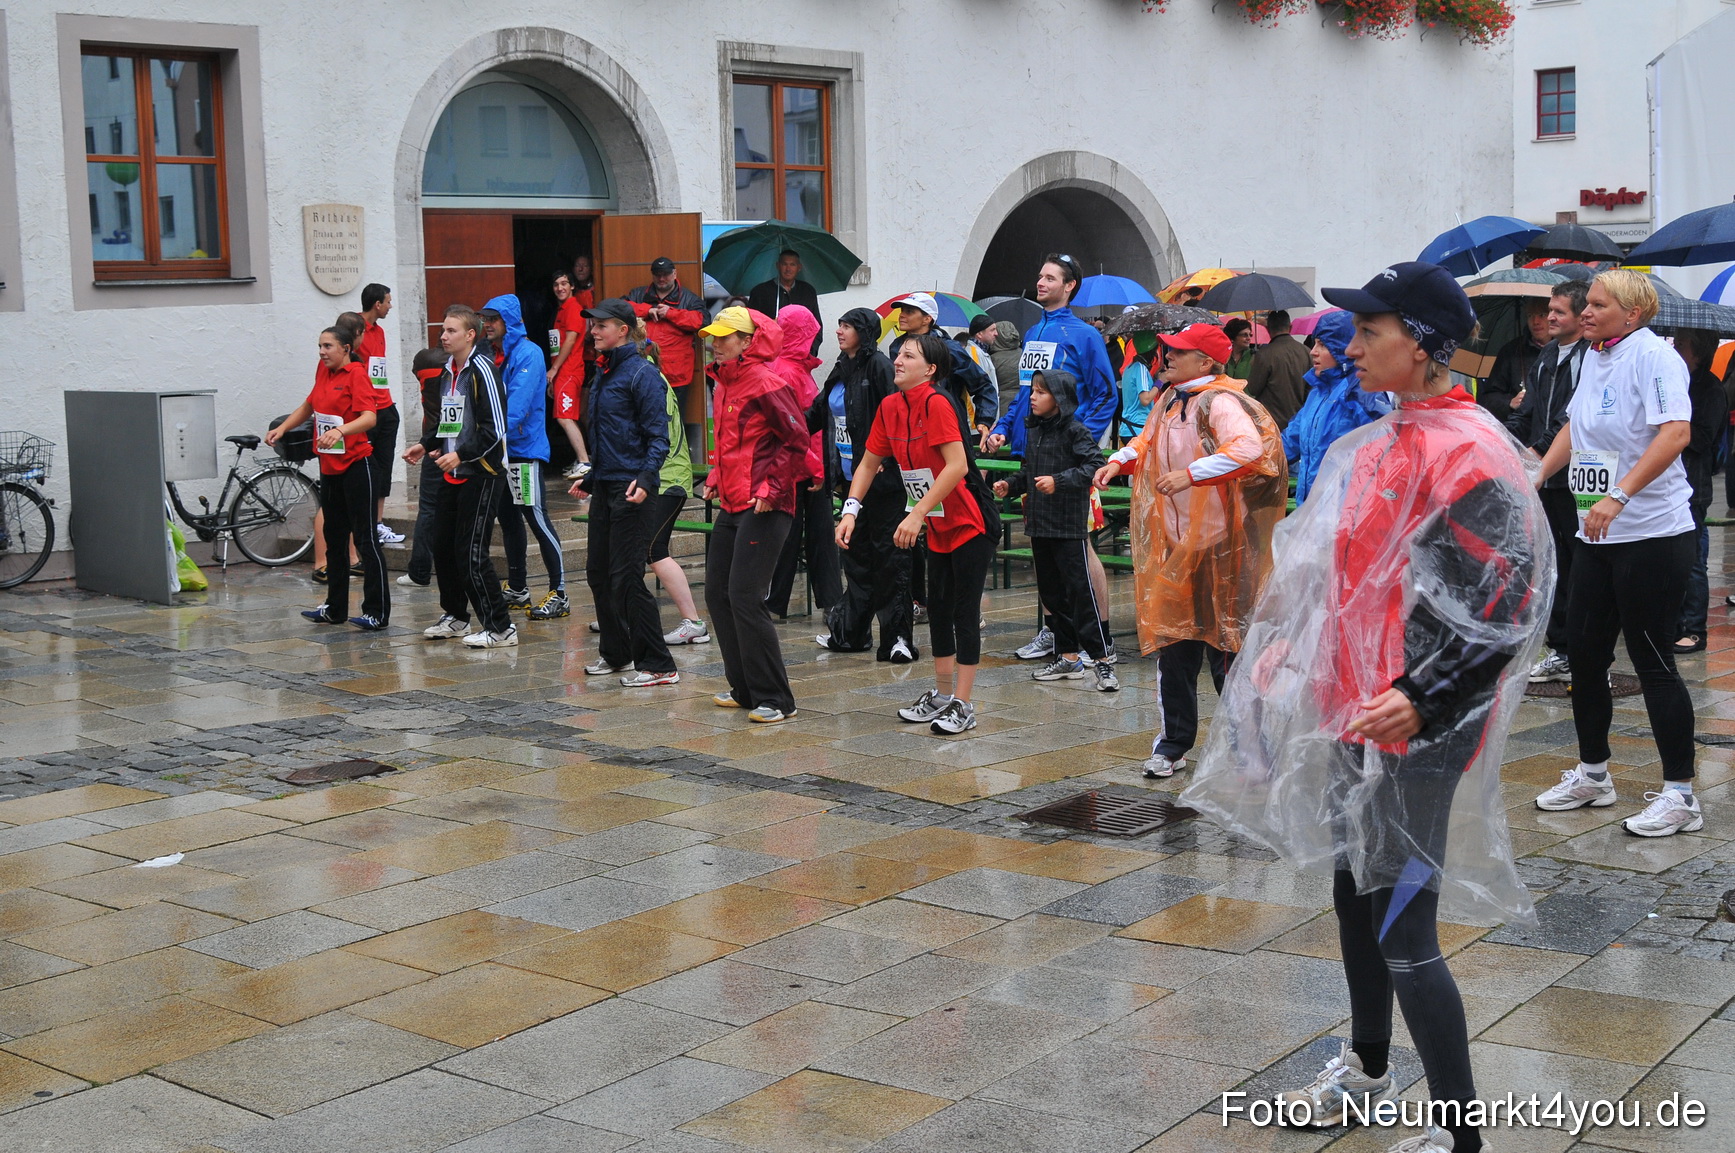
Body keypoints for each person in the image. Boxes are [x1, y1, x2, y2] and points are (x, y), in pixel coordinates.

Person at [1181, 261, 1548, 1153]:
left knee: (1402, 923)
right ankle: (1367, 1071)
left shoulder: (1469, 453)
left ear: (1419, 345)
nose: (1350, 344)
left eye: (1370, 330)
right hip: (1356, 706)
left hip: (1418, 726)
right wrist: (1287, 644)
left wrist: (1422, 697)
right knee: (1354, 892)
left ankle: (1461, 1134)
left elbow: (1507, 607)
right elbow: (1342, 574)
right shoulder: (1382, 438)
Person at [1534, 269, 1703, 837]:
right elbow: (1575, 428)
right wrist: (1537, 475)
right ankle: (1593, 774)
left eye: (1598, 305)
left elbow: (1675, 434)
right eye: (1586, 303)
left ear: (1631, 314)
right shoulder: (1593, 355)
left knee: (1653, 662)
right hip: (1596, 537)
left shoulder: (1656, 357)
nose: (1585, 311)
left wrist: (1620, 494)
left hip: (1653, 535)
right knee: (1585, 658)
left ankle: (1681, 795)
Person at [1093, 323, 1286, 779]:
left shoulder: (1219, 401)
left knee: (1227, 651)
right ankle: (1172, 745)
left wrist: (1192, 474)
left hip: (1221, 548)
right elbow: (1148, 442)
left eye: (1179, 352)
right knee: (1175, 646)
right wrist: (1118, 460)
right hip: (1177, 546)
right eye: (1169, 350)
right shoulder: (1169, 399)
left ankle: (1251, 752)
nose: (1168, 357)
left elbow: (1249, 448)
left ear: (1206, 361)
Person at [840, 332, 997, 735]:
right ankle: (942, 696)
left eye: (909, 356)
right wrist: (851, 509)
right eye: (898, 354)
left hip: (971, 522)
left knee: (963, 612)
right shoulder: (891, 406)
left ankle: (964, 703)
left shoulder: (937, 402)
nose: (898, 360)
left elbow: (957, 465)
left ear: (930, 369)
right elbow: (868, 463)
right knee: (938, 609)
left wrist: (916, 513)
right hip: (938, 523)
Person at [988, 255, 1118, 664]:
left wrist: (1075, 439)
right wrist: (1004, 426)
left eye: (1050, 277)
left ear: (1069, 285)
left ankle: (1101, 638)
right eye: (1040, 276)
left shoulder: (1085, 335)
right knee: (1043, 547)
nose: (1040, 282)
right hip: (1034, 456)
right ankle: (1056, 633)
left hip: (1067, 462)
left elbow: (1106, 394)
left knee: (1080, 548)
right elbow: (1027, 393)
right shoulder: (1033, 332)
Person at [698, 306, 811, 722]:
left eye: (725, 337)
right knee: (717, 594)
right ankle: (744, 688)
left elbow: (797, 438)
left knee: (745, 596)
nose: (716, 343)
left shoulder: (766, 381)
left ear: (747, 341)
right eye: (714, 336)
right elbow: (733, 441)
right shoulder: (723, 381)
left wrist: (773, 486)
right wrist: (716, 474)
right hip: (732, 501)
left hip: (766, 504)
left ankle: (777, 699)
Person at [571, 298, 680, 687]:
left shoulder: (642, 374)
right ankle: (616, 653)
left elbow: (658, 437)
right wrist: (591, 478)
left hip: (633, 488)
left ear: (622, 330)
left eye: (601, 325)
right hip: (606, 484)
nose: (594, 331)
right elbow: (608, 434)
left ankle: (659, 664)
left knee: (627, 577)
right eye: (593, 325)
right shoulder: (603, 370)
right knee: (598, 573)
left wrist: (646, 479)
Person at [992, 370, 1115, 691]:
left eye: (1041, 392)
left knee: (1080, 593)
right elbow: (1030, 472)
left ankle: (1103, 660)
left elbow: (1094, 466)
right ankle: (1068, 656)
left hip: (1068, 527)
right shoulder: (1034, 430)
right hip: (1039, 525)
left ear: (1059, 399)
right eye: (1033, 391)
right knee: (1052, 594)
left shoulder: (1076, 431)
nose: (1032, 397)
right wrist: (1011, 484)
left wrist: (1058, 482)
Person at [403, 304, 516, 648]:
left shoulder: (483, 370)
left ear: (470, 335)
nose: (443, 336)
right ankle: (456, 616)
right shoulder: (447, 371)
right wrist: (427, 444)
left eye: (451, 330)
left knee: (471, 552)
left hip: (482, 473)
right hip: (452, 470)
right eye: (443, 329)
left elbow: (495, 429)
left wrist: (462, 454)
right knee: (442, 546)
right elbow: (447, 420)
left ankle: (500, 627)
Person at [267, 325, 388, 630]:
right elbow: (309, 404)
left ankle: (376, 612)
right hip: (330, 467)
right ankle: (335, 608)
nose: (322, 352)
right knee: (334, 540)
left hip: (358, 466)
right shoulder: (324, 371)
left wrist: (340, 431)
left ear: (346, 348)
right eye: (320, 346)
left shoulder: (357, 374)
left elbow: (369, 417)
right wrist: (283, 427)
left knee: (366, 539)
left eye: (328, 346)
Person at [812, 308, 913, 661]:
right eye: (839, 325)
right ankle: (850, 635)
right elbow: (819, 412)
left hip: (884, 484)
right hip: (849, 481)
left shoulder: (880, 367)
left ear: (865, 332)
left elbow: (897, 413)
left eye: (848, 326)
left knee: (889, 560)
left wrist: (889, 457)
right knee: (855, 559)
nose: (840, 331)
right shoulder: (842, 367)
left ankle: (898, 639)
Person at [1512, 280, 1589, 683]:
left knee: (1581, 567)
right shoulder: (1545, 356)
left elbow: (1569, 419)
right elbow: (1528, 411)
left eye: (1559, 311)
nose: (1550, 318)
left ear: (1580, 315)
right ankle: (1561, 650)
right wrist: (1503, 440)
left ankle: (1585, 653)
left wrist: (1536, 452)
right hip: (1544, 481)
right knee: (1552, 563)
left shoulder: (1589, 357)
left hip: (1574, 480)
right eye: (1549, 310)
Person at [482, 294, 568, 621]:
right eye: (485, 318)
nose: (487, 324)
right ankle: (518, 588)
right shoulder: (496, 353)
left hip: (523, 451)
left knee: (537, 519)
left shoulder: (529, 353)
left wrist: (481, 436)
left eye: (493, 319)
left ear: (509, 321)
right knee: (508, 520)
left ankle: (560, 592)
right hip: (502, 451)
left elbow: (516, 408)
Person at [765, 304, 843, 618]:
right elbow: (792, 427)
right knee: (803, 535)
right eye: (810, 333)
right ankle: (818, 601)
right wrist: (814, 466)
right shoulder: (787, 371)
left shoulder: (793, 368)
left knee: (810, 534)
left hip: (806, 465)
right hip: (802, 467)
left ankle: (791, 602)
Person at [1281, 309, 1390, 504]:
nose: (1313, 351)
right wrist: (1249, 459)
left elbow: (1387, 451)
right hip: (1310, 509)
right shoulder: (1318, 393)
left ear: (1342, 349)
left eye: (1322, 345)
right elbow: (1289, 442)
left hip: (1345, 510)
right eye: (1315, 343)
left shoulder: (1361, 392)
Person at [1673, 328, 1727, 653]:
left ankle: (1694, 630)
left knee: (1693, 560)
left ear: (1698, 351)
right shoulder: (1676, 382)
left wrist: (1673, 423)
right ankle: (1675, 622)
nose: (1675, 348)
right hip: (1672, 482)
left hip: (1694, 486)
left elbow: (1703, 439)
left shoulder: (1709, 388)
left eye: (1681, 344)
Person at [886, 293, 997, 434]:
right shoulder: (896, 347)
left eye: (909, 312)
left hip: (944, 425)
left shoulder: (949, 349)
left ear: (927, 319)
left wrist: (984, 420)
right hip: (906, 426)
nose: (902, 315)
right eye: (902, 310)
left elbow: (981, 384)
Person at [398, 347, 449, 588]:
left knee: (428, 509)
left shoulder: (424, 359)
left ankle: (419, 571)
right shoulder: (454, 366)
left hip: (434, 443)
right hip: (447, 445)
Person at [357, 283, 402, 545]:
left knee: (384, 466)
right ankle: (364, 524)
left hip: (385, 405)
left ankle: (378, 523)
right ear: (377, 304)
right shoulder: (354, 326)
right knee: (366, 467)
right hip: (365, 409)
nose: (390, 306)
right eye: (388, 302)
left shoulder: (380, 331)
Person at [625, 257, 707, 393]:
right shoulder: (637, 294)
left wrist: (671, 313)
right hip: (643, 369)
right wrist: (646, 310)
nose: (661, 278)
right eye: (657, 274)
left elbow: (702, 322)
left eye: (666, 274)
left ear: (674, 274)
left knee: (675, 408)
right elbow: (621, 310)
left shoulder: (690, 299)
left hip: (676, 374)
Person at [547, 269, 593, 482]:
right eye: (556, 284)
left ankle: (584, 461)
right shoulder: (561, 310)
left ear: (572, 286)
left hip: (570, 371)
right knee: (569, 416)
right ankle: (581, 459)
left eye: (564, 283)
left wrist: (555, 369)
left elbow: (571, 340)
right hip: (563, 372)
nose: (560, 288)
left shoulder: (573, 308)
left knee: (564, 417)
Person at [1479, 297, 1549, 420]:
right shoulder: (1511, 351)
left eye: (1542, 315)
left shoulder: (1563, 349)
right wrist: (1510, 403)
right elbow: (1488, 398)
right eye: (1530, 315)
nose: (1535, 321)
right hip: (1520, 425)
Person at [746, 249, 823, 355]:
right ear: (778, 266)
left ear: (799, 267)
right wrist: (769, 325)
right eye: (784, 264)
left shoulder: (808, 291)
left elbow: (816, 326)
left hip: (801, 355)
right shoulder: (760, 292)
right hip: (769, 354)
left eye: (792, 265)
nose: (788, 269)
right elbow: (751, 325)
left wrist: (810, 353)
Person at [1244, 309, 1310, 429]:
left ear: (1268, 329)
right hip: (1299, 422)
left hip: (1271, 422)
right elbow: (1310, 389)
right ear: (1290, 327)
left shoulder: (1265, 354)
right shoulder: (1306, 352)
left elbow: (1253, 389)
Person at [972, 316, 1023, 421]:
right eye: (992, 330)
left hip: (1001, 408)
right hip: (1022, 404)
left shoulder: (993, 359)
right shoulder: (1024, 354)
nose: (994, 334)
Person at [1118, 344, 1160, 441]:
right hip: (1138, 429)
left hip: (1127, 428)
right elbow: (1145, 399)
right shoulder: (1141, 369)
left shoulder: (1129, 368)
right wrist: (1160, 382)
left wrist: (1156, 378)